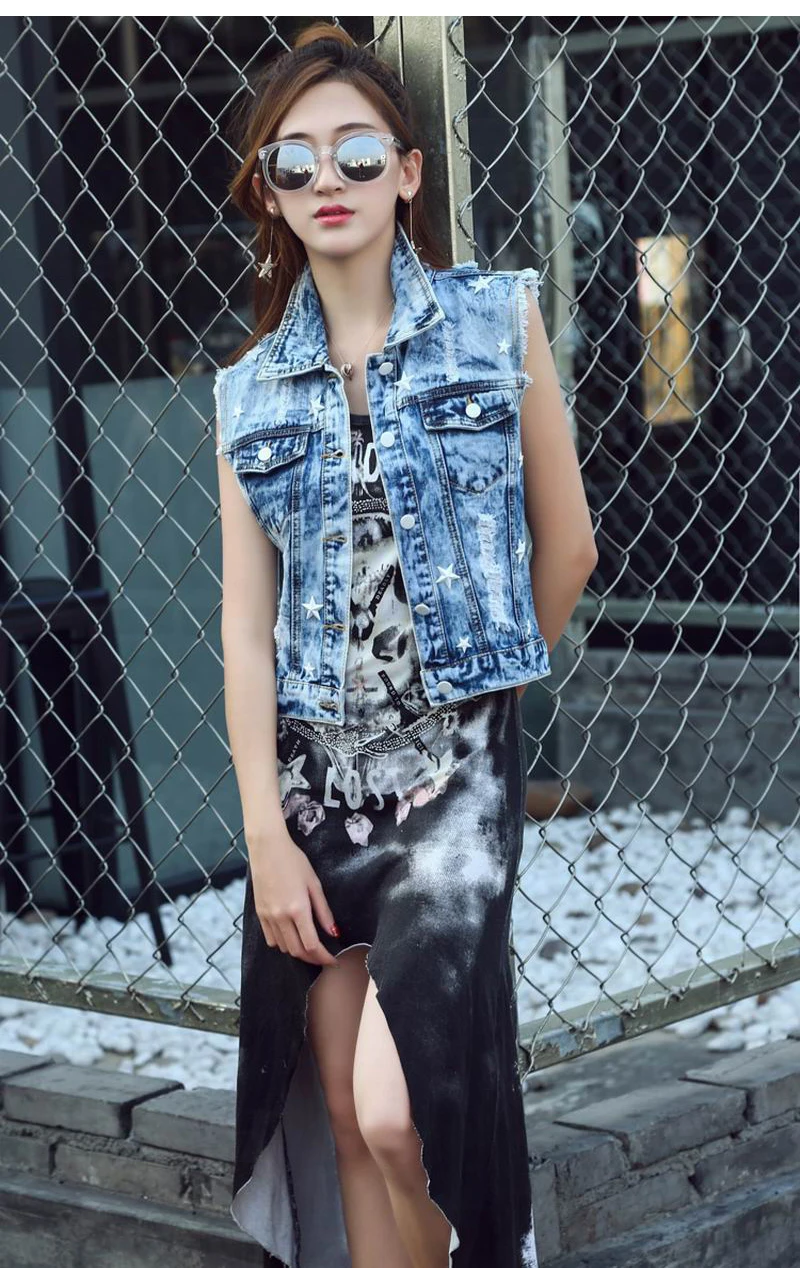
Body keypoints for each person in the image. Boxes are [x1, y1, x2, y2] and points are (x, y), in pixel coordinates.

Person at [214, 21, 596, 1268]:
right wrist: (265, 836)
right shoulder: (246, 391)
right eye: (295, 159)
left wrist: (477, 706)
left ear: (409, 172)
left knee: (399, 1113)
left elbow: (568, 547)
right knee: (339, 1106)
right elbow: (245, 629)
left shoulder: (496, 321)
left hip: (450, 791)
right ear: (268, 189)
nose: (328, 178)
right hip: (311, 791)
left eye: (358, 152)